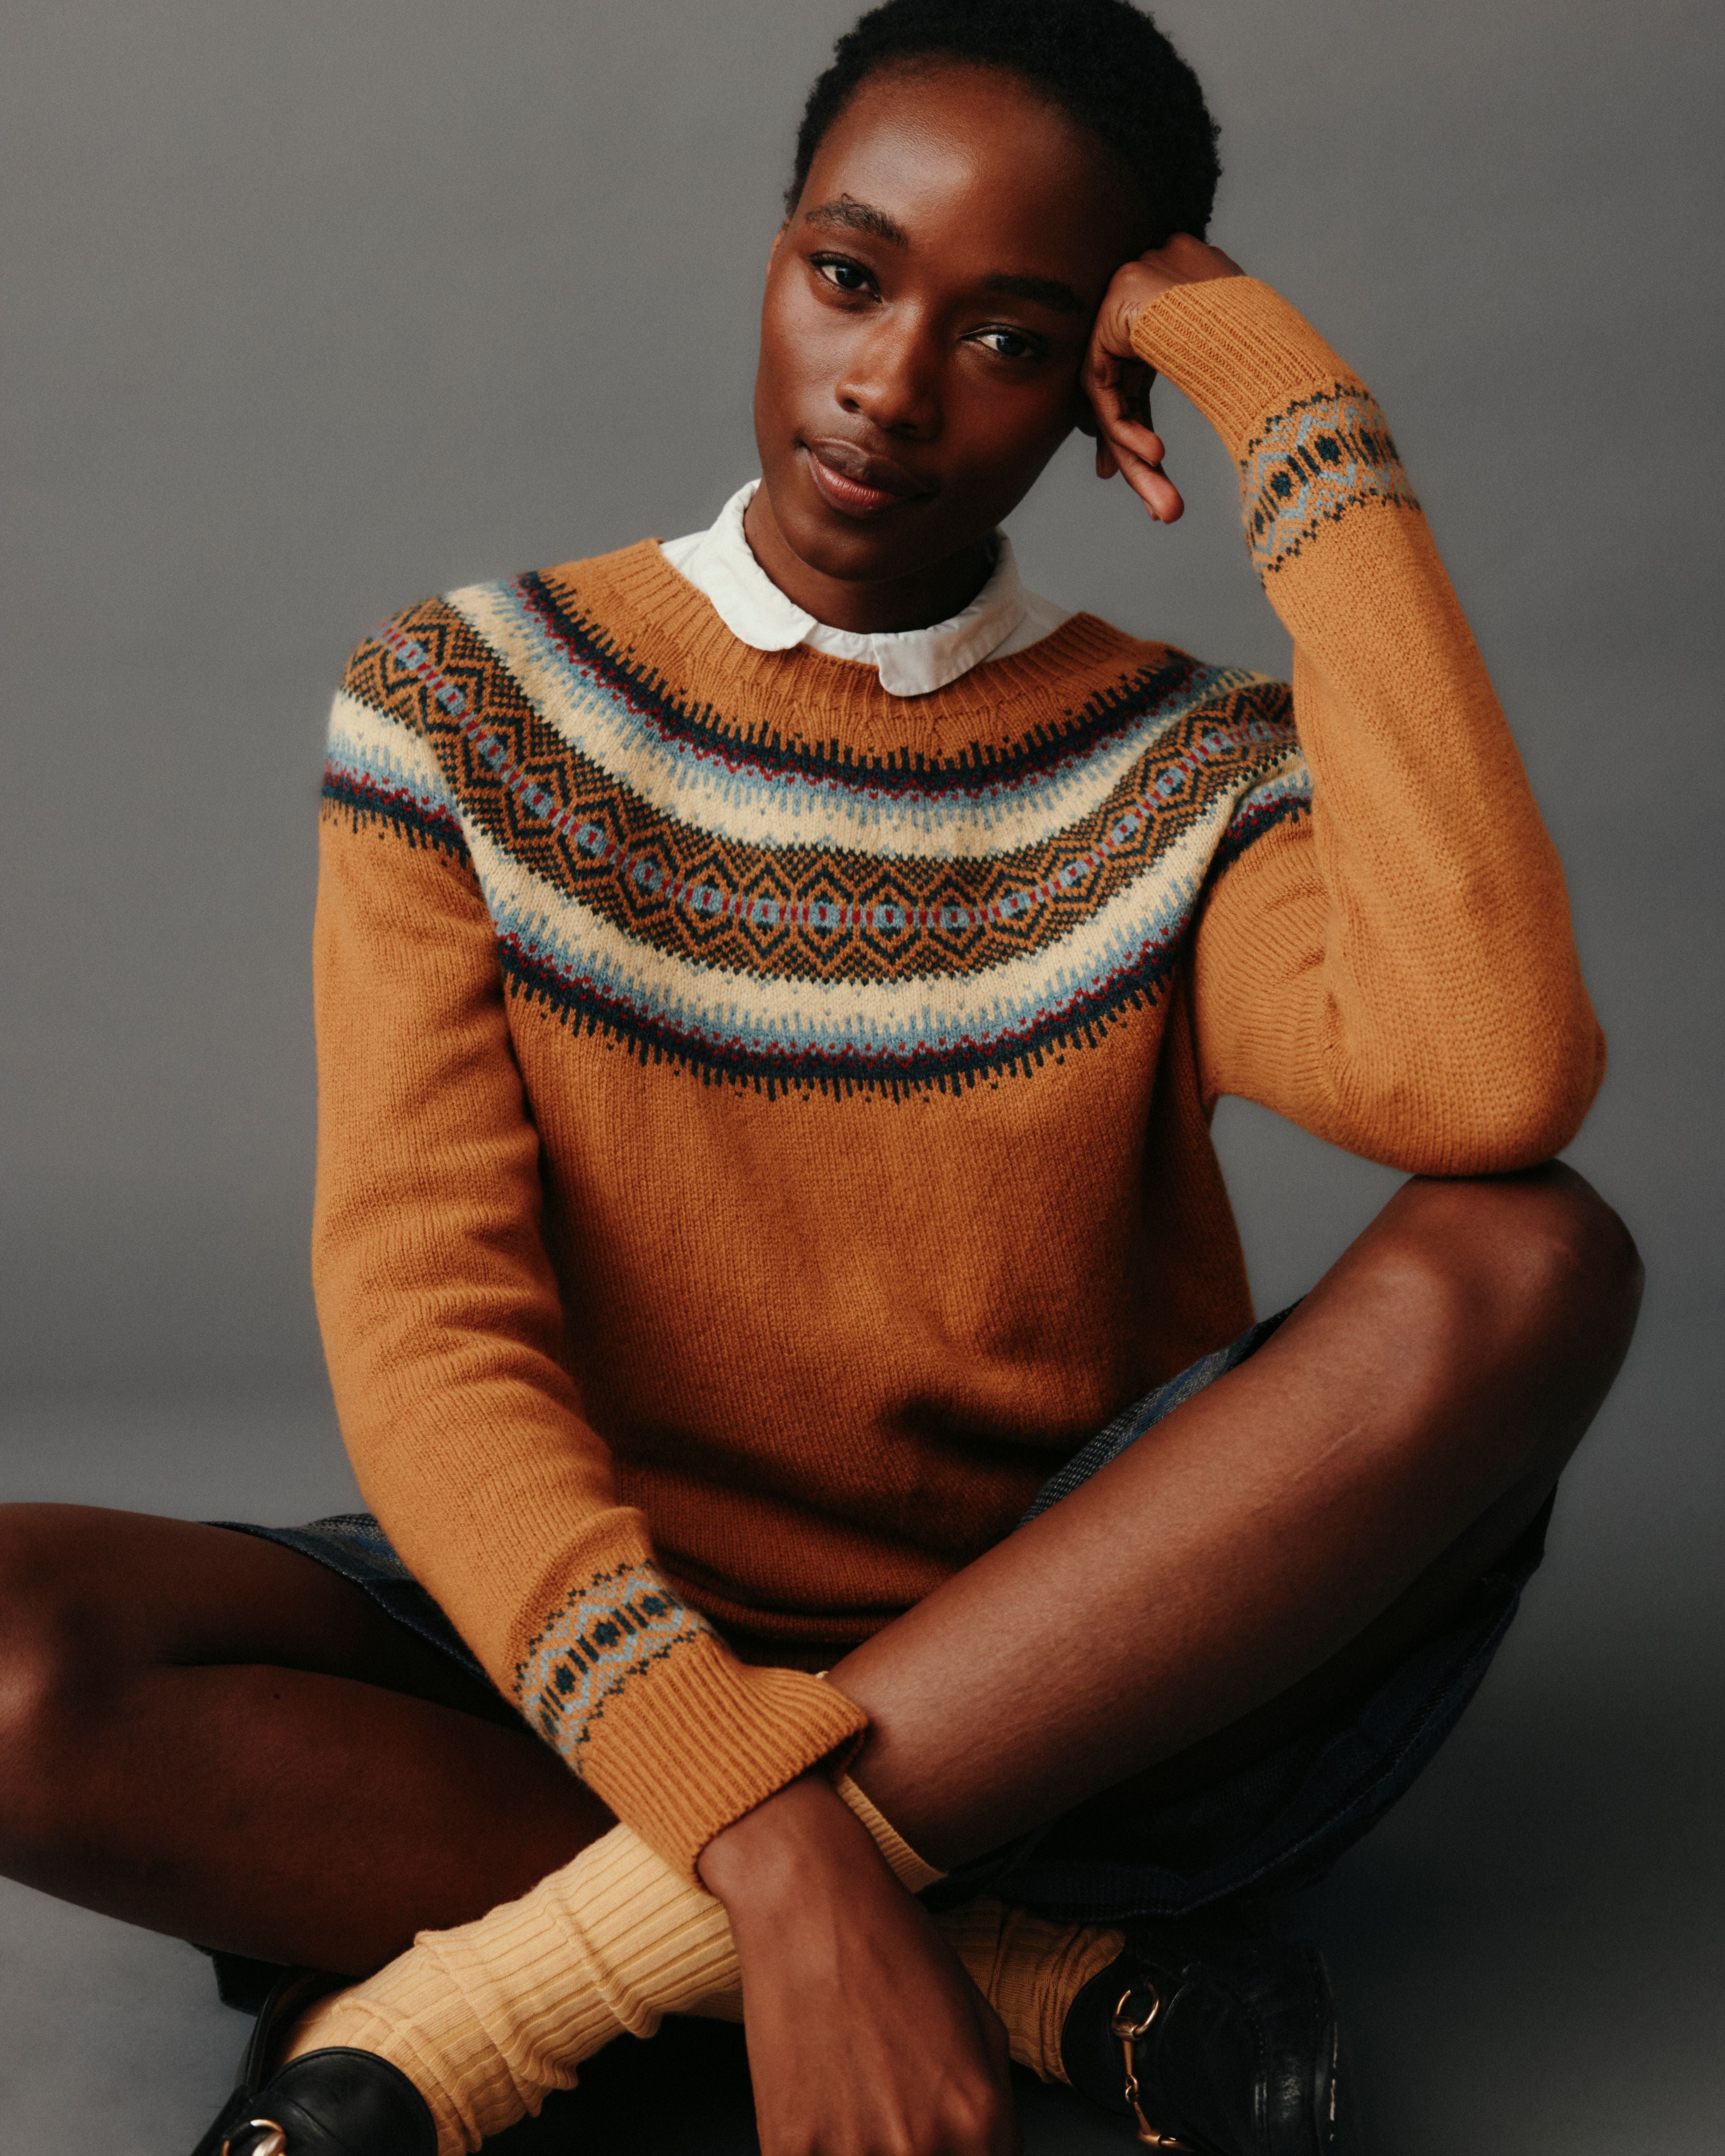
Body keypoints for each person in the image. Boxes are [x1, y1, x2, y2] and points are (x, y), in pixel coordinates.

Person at [0, 3, 1642, 2152]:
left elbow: (1493, 1071)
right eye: (850, 277)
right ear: (775, 250)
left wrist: (1292, 396)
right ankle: (1014, 1972)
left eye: (1013, 336)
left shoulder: (1176, 767)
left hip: (1075, 1669)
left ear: (1096, 396)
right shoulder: (464, 705)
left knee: (1532, 1260)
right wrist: (764, 1836)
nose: (886, 384)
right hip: (600, 1640)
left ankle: (515, 1986)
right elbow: (429, 1336)